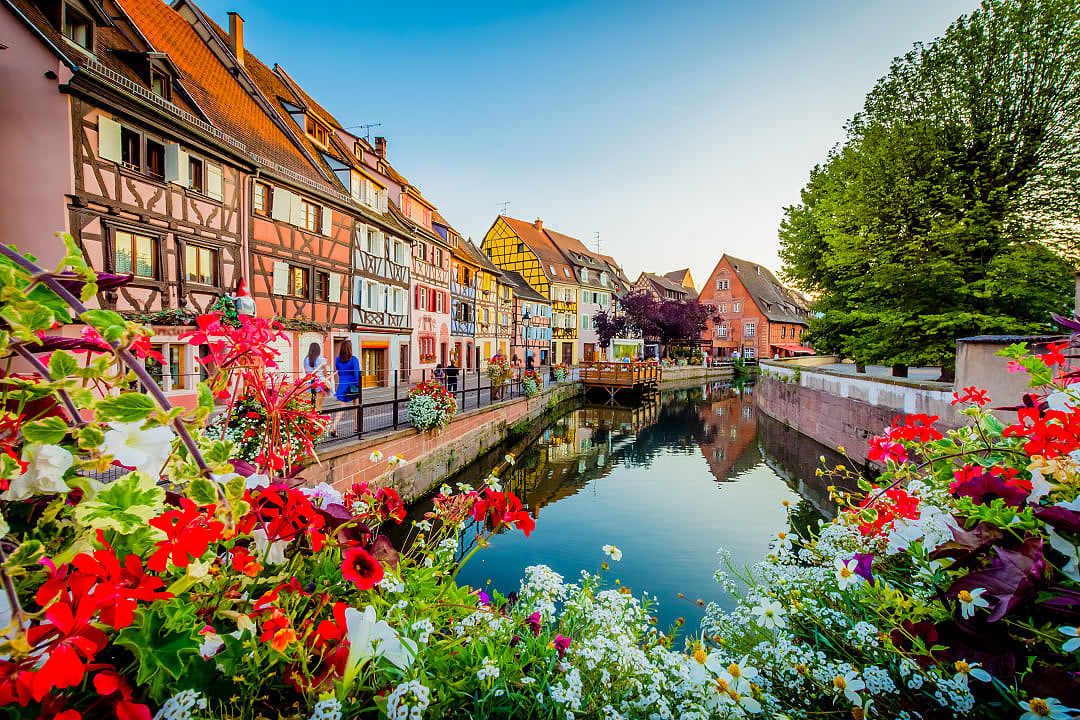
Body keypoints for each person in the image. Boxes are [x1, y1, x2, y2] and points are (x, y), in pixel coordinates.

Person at [333, 341, 361, 437]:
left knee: (341, 408)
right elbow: (356, 373)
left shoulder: (337, 360)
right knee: (356, 407)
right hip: (353, 386)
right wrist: (358, 386)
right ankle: (357, 427)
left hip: (342, 386)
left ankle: (334, 426)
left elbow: (339, 373)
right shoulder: (354, 359)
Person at [303, 342, 329, 413]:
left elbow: (306, 371)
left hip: (310, 383)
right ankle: (318, 418)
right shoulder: (322, 359)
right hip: (320, 383)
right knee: (319, 405)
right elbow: (325, 373)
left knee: (311, 404)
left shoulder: (306, 359)